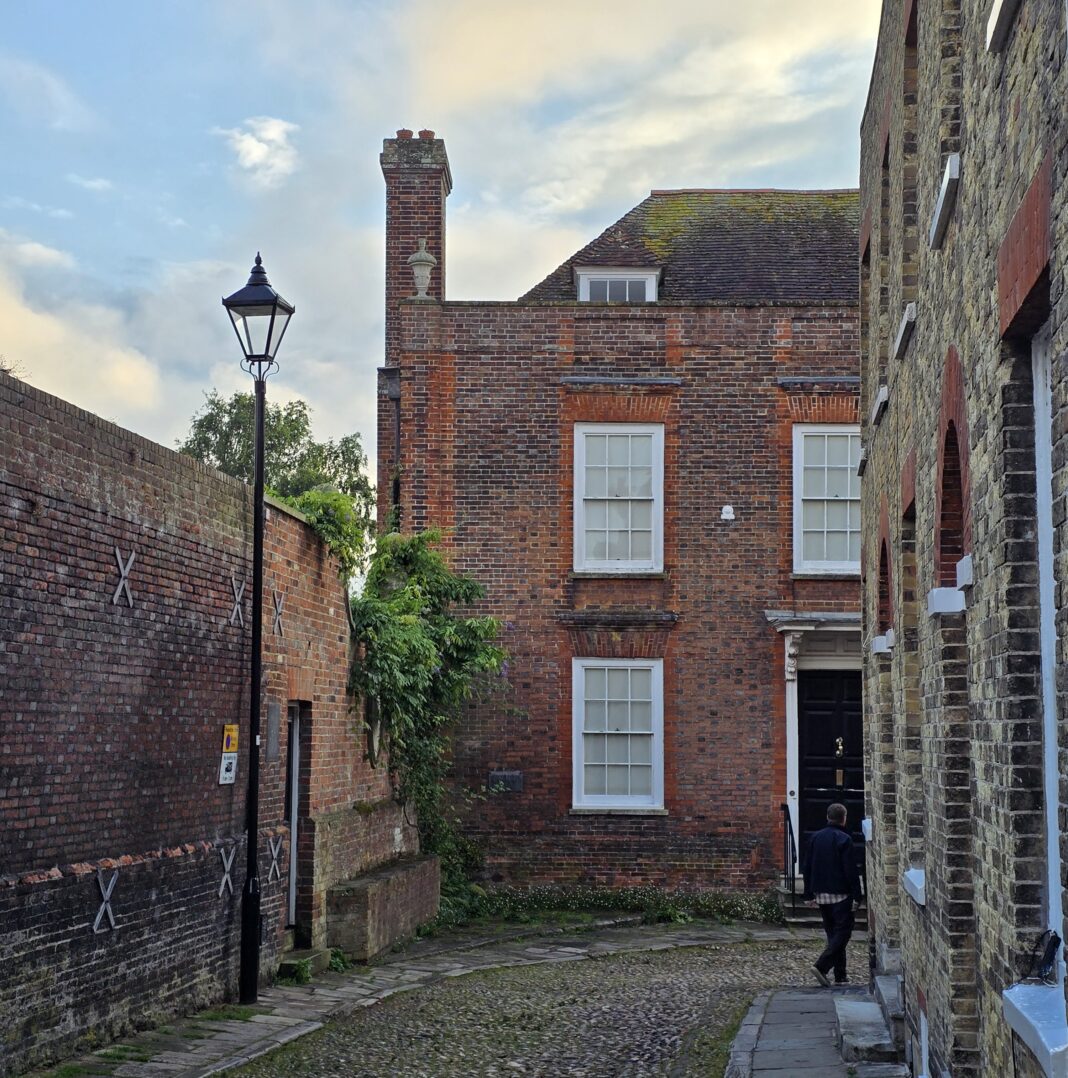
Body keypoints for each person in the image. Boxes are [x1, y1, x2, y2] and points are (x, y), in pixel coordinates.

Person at [801, 802, 863, 986]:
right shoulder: (844, 839)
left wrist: (808, 893)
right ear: (844, 818)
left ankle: (840, 975)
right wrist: (857, 895)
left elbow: (807, 866)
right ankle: (821, 966)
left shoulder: (815, 838)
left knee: (833, 935)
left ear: (828, 817)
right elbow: (850, 870)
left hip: (821, 893)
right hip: (841, 894)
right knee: (843, 934)